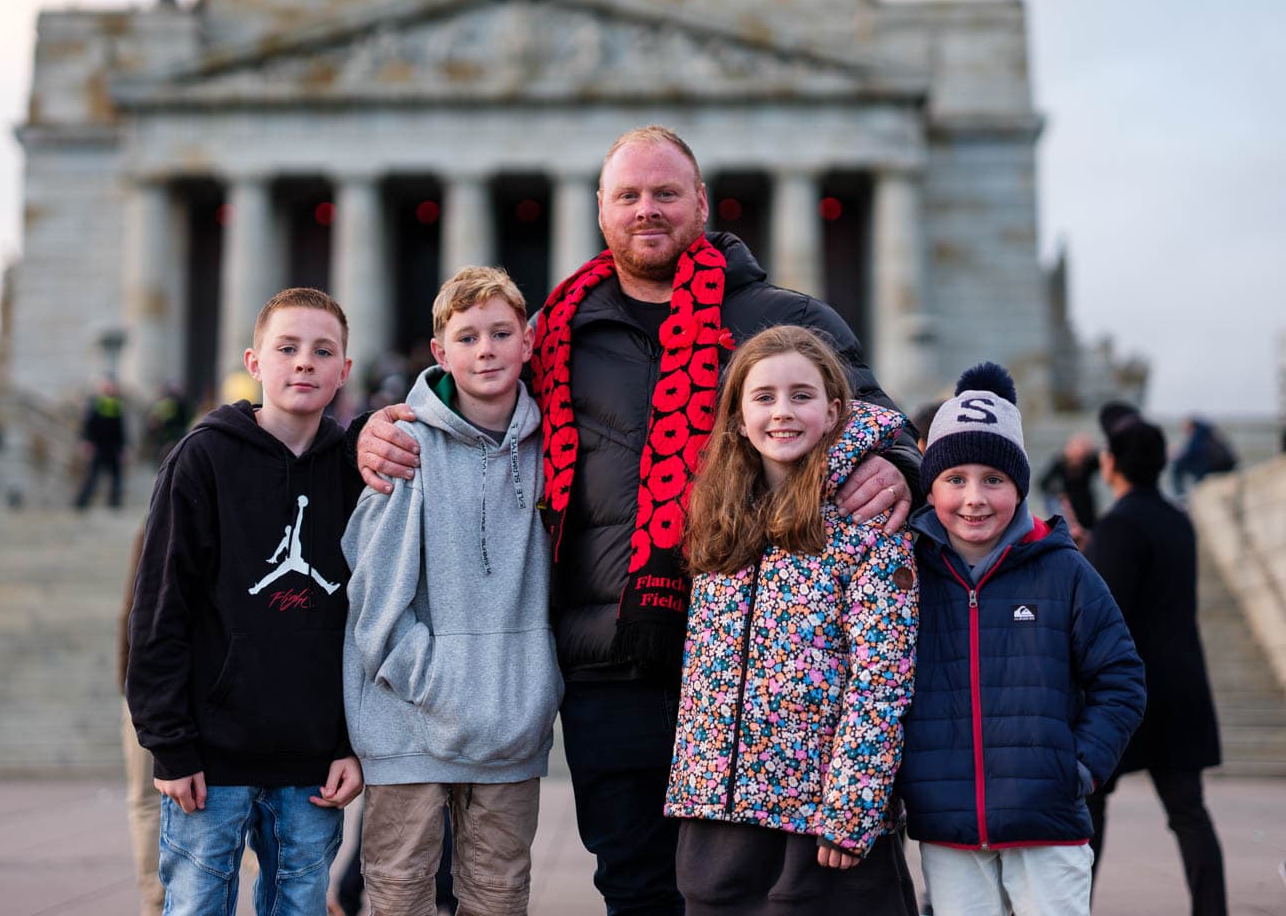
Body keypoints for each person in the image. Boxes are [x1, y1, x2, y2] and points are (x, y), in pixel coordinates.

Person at [358, 125, 921, 912]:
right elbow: (477, 405)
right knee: (634, 884)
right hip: (609, 659)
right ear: (600, 210)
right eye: (628, 196)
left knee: (752, 894)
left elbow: (875, 415)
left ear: (702, 201)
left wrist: (899, 462)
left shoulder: (782, 318)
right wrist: (386, 426)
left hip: (749, 661)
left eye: (665, 193)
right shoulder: (557, 330)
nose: (646, 210)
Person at [126, 287, 364, 915]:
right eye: (287, 348)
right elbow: (159, 606)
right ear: (255, 362)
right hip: (212, 759)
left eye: (323, 351)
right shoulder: (201, 458)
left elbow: (366, 620)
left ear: (345, 371)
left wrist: (348, 741)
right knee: (198, 906)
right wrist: (169, 743)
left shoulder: (354, 469)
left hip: (313, 762)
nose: (304, 363)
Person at [665, 326, 919, 914]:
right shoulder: (718, 523)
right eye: (764, 397)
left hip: (821, 831)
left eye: (801, 396)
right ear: (737, 416)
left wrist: (853, 810)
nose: (783, 412)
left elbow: (881, 679)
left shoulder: (867, 526)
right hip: (718, 823)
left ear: (834, 412)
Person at [343, 267, 563, 915]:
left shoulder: (556, 446)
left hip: (512, 723)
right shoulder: (403, 445)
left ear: (529, 342)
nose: (487, 349)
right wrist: (439, 682)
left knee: (499, 895)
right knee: (399, 894)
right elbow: (376, 596)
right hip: (411, 723)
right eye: (468, 337)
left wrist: (531, 684)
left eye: (501, 333)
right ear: (441, 352)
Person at [896, 363, 1146, 916]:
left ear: (1020, 485)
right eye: (954, 479)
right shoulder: (908, 573)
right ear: (929, 484)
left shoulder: (1065, 570)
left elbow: (1121, 678)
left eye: (994, 479)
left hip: (1048, 822)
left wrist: (1078, 768)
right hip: (948, 824)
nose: (973, 499)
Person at [1085, 405, 1227, 916]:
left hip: (1129, 693)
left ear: (1111, 463)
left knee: (1088, 807)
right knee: (1189, 813)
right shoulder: (1177, 521)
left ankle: (1074, 906)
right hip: (1183, 685)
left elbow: (1102, 611)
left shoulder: (1118, 526)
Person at [119, 524, 163, 916]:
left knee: (145, 802)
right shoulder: (152, 527)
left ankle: (156, 900)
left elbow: (132, 614)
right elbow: (134, 613)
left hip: (152, 686)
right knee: (145, 800)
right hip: (143, 688)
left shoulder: (155, 524)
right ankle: (155, 899)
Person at [75, 377, 128, 508]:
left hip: (113, 446)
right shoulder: (95, 403)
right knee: (92, 477)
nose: (109, 389)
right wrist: (86, 441)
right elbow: (87, 425)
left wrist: (123, 447)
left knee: (116, 477)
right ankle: (81, 503)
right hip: (98, 445)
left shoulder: (117, 404)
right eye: (106, 386)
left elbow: (120, 428)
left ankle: (115, 503)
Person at [1040, 432, 1101, 531]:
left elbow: (1102, 462)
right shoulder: (1060, 463)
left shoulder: (1088, 462)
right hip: (1068, 505)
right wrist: (1057, 491)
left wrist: (1091, 449)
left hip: (1086, 504)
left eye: (1081, 454)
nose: (1077, 458)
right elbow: (1043, 483)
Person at [1170, 416, 1238, 498]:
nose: (1184, 430)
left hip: (1211, 467)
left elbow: (1191, 454)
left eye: (1185, 427)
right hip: (1224, 466)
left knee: (1177, 467)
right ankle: (1189, 493)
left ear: (1191, 426)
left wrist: (1177, 456)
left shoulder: (1198, 435)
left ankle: (1180, 496)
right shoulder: (1209, 434)